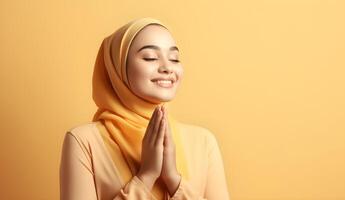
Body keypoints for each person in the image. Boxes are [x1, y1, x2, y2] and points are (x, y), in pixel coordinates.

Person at [59, 17, 230, 200]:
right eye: (150, 57)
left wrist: (173, 180)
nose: (167, 68)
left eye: (174, 59)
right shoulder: (84, 141)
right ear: (119, 67)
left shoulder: (203, 142)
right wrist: (146, 176)